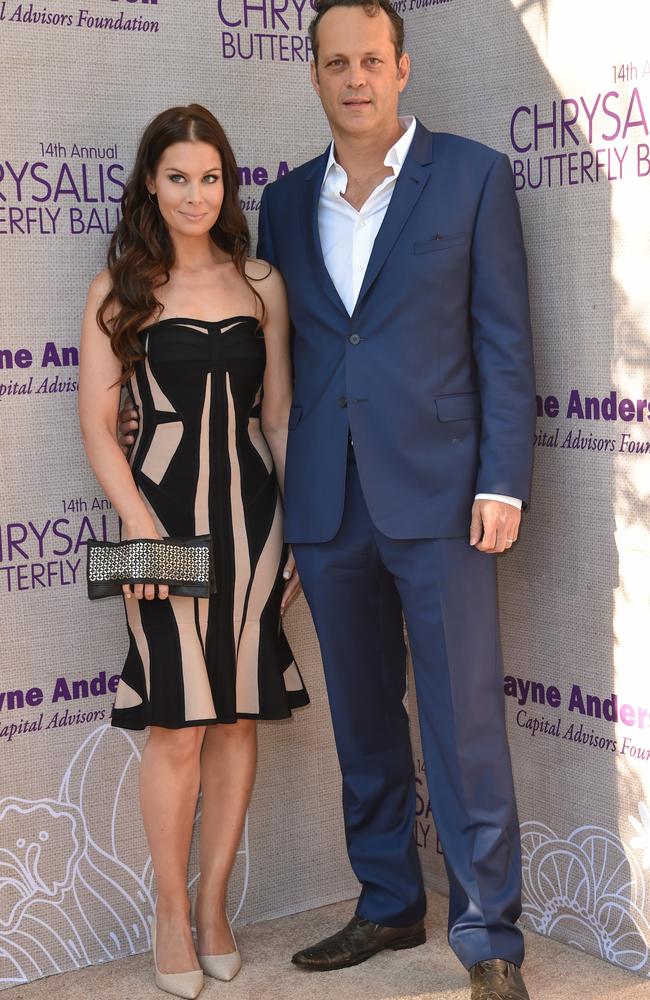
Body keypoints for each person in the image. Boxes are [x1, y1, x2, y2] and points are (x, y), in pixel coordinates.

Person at [120, 3, 536, 995]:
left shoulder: (472, 176)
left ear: (401, 68)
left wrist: (500, 480)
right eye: (334, 62)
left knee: (462, 718)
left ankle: (488, 937)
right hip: (319, 504)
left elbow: (503, 343)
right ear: (311, 75)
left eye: (370, 60)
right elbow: (289, 360)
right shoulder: (286, 198)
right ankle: (386, 902)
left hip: (441, 498)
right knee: (359, 717)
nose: (353, 77)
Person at [79, 104, 308, 1000]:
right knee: (174, 722)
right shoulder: (116, 292)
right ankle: (168, 913)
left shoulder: (262, 284)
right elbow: (100, 428)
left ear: (227, 183)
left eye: (209, 177)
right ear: (150, 183)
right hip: (160, 525)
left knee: (237, 715)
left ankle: (215, 907)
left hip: (254, 522)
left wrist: (300, 530)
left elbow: (278, 416)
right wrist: (138, 528)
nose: (195, 193)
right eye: (177, 176)